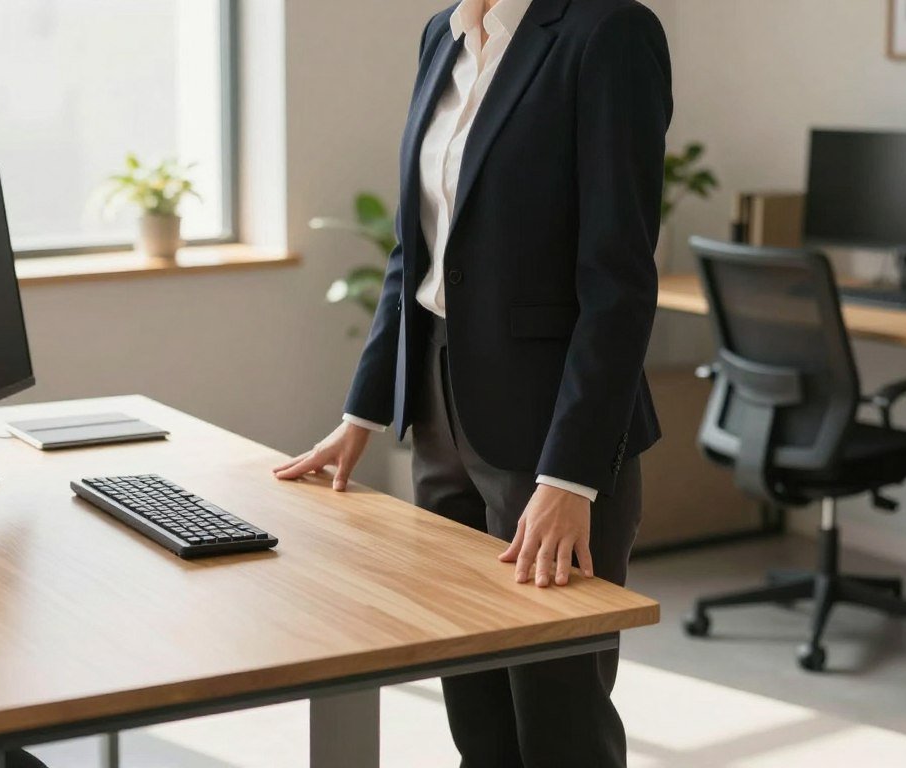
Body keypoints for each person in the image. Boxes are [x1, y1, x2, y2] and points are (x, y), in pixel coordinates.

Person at [274, 0, 671, 765]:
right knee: (476, 710)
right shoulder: (442, 34)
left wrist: (570, 478)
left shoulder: (607, 32)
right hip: (439, 410)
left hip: (553, 432)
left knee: (559, 722)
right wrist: (362, 410)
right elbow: (413, 255)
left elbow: (619, 283)